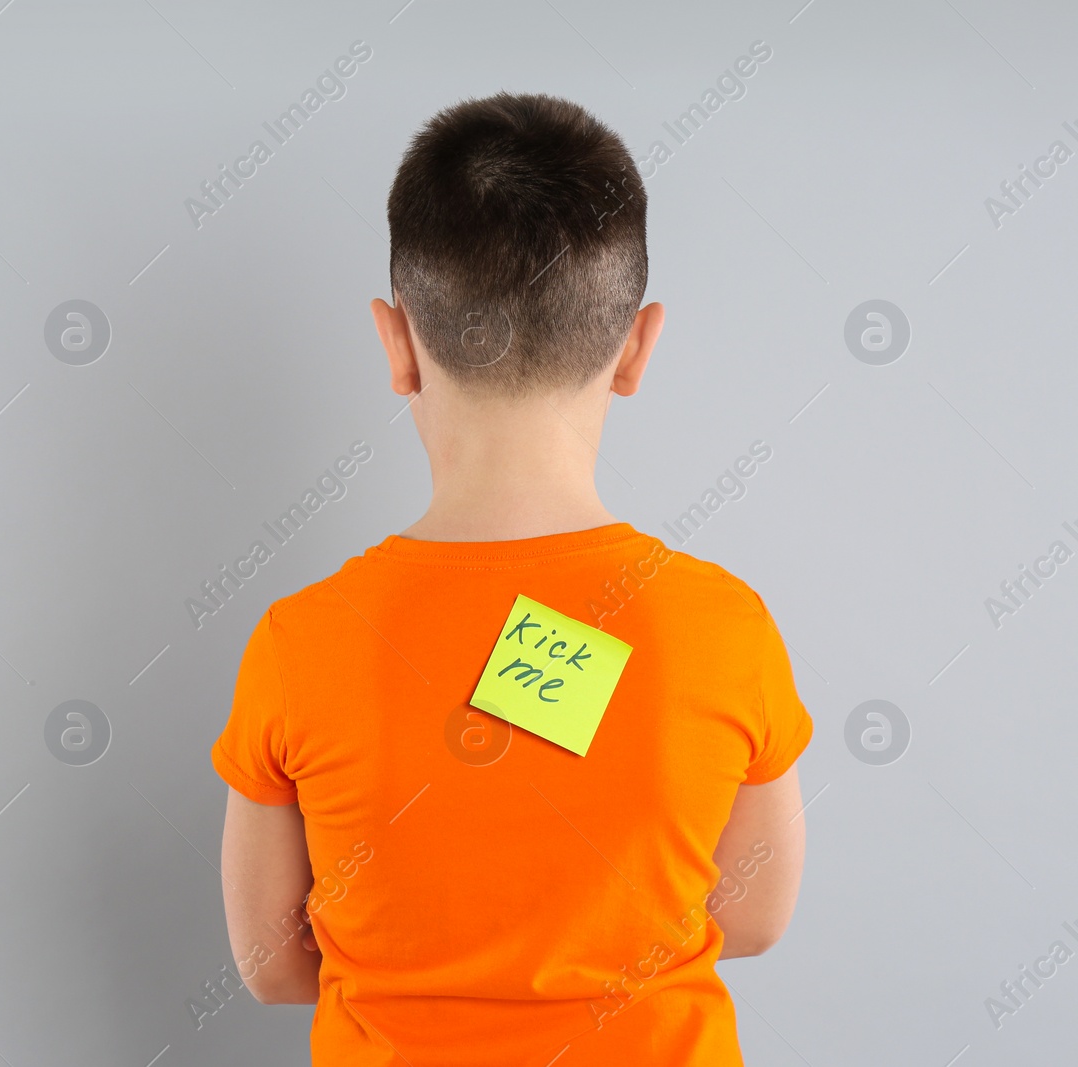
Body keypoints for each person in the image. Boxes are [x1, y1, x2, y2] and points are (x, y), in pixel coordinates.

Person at [211, 92, 813, 1066]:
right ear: (636, 346)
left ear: (396, 342)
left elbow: (273, 965)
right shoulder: (723, 626)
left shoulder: (300, 640)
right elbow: (751, 915)